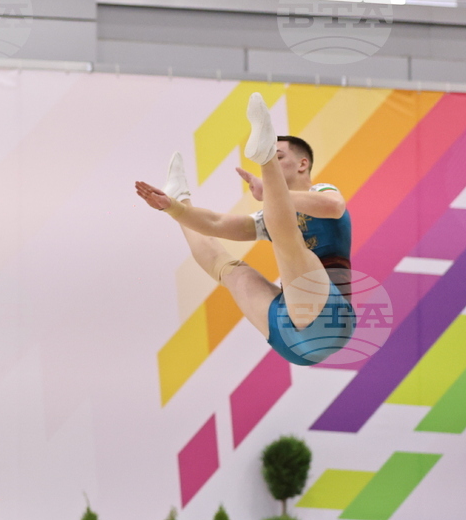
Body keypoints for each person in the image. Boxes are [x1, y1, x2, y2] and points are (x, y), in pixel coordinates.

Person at [134, 92, 354, 366]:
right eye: (271, 154)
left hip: (330, 319)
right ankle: (180, 197)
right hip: (289, 339)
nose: (277, 157)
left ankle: (263, 159)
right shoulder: (271, 213)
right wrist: (173, 208)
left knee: (289, 243)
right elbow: (216, 223)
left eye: (278, 155)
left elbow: (333, 208)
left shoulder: (322, 191)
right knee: (229, 270)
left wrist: (273, 191)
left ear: (302, 164)